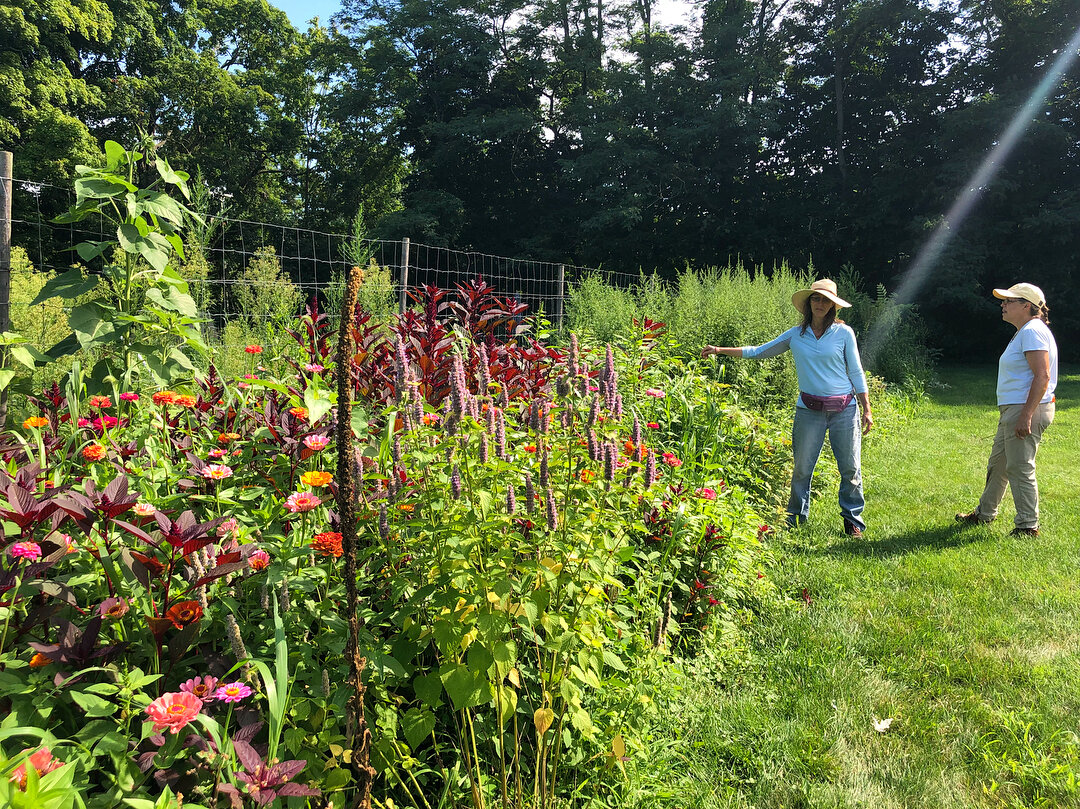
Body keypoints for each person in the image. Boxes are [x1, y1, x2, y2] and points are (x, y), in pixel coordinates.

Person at [701, 279, 873, 535]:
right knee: (802, 467)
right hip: (809, 410)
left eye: (826, 300)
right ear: (808, 303)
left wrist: (866, 407)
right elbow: (758, 351)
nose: (820, 304)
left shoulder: (843, 333)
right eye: (816, 299)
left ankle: (852, 522)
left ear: (833, 305)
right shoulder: (796, 335)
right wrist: (719, 349)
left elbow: (856, 371)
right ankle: (794, 518)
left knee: (850, 468)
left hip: (844, 410)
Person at [956, 283, 1057, 536]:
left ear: (1027, 306)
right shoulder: (1025, 331)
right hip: (1016, 410)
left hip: (1025, 409)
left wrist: (1026, 415)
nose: (1003, 304)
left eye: (1009, 301)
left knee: (1020, 467)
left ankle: (1027, 526)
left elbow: (1042, 376)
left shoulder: (1032, 331)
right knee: (999, 464)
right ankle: (985, 513)